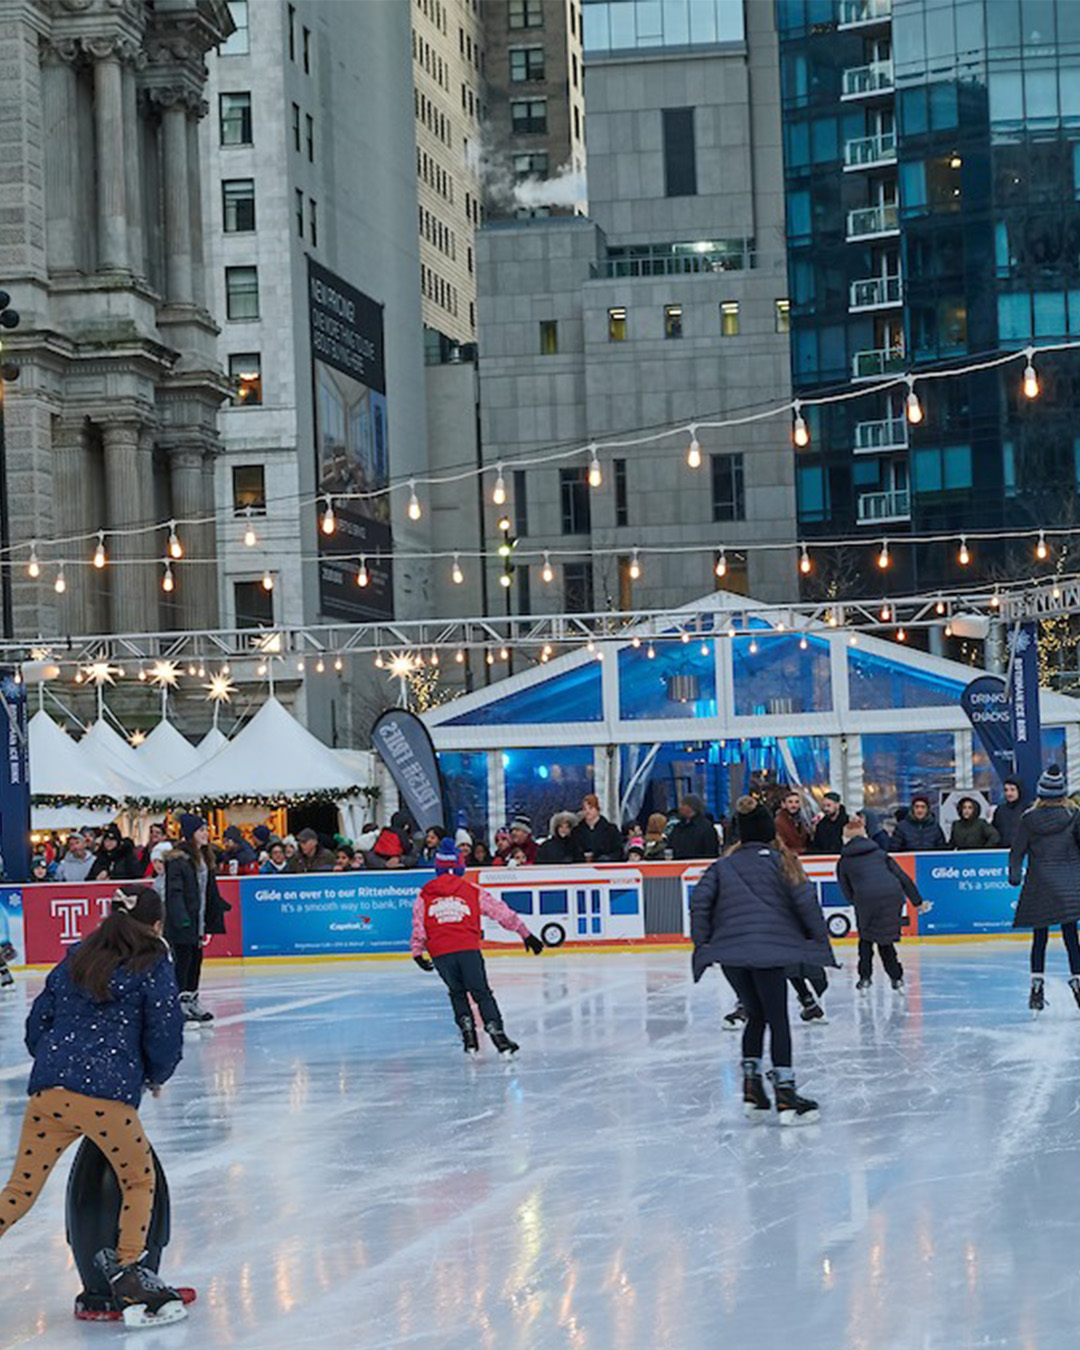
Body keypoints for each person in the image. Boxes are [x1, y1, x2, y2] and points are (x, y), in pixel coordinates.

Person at [0, 886, 186, 1325]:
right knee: (139, 1180)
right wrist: (156, 1076)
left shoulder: (78, 955)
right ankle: (127, 1272)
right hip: (104, 1099)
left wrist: (51, 1061)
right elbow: (164, 1030)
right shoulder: (153, 962)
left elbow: (38, 1020)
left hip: (48, 1094)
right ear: (156, 925)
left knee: (20, 1191)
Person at [690, 796, 836, 1124]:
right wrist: (819, 942)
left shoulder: (722, 866)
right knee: (777, 1018)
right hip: (769, 953)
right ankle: (785, 1095)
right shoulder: (782, 862)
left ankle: (752, 1092)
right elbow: (806, 902)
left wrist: (704, 944)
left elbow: (699, 903)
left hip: (732, 955)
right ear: (769, 831)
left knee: (755, 1016)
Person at [411, 838, 544, 1056]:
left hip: (441, 952)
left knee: (457, 992)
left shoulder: (425, 894)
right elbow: (501, 913)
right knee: (481, 993)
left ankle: (469, 1037)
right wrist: (525, 934)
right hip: (466, 949)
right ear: (460, 867)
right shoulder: (472, 891)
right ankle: (498, 1036)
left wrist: (417, 951)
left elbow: (419, 924)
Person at [1008, 764, 1080, 1012]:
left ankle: (1036, 987)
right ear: (1062, 794)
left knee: (1040, 938)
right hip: (1069, 885)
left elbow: (1017, 852)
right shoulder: (1074, 816)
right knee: (1071, 937)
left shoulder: (1028, 819)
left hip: (1040, 885)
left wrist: (1014, 875)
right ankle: (1078, 982)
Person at [837, 817, 930, 992]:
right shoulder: (880, 854)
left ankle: (865, 978)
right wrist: (917, 901)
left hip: (866, 899)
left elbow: (846, 888)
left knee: (866, 940)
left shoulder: (844, 861)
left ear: (845, 839)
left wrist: (857, 902)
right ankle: (897, 978)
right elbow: (903, 877)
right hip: (892, 897)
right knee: (885, 940)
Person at [164, 815, 230, 1024]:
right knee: (183, 962)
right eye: (201, 830)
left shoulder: (205, 858)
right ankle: (180, 1002)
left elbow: (206, 890)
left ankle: (192, 998)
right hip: (183, 922)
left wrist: (218, 904)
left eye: (205, 830)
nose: (206, 834)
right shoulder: (179, 860)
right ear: (190, 833)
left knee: (196, 961)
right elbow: (174, 892)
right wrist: (181, 917)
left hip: (198, 921)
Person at [571, 795, 624, 862]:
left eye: (590, 808)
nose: (587, 811)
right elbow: (572, 852)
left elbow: (618, 852)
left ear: (597, 809)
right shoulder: (576, 831)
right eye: (584, 809)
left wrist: (605, 859)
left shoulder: (611, 830)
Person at [669, 794, 721, 861]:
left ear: (691, 807)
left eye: (683, 805)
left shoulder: (706, 827)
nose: (680, 808)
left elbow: (711, 850)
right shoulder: (678, 827)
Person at [992, 777, 1027, 850]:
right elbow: (994, 832)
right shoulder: (1000, 810)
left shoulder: (1027, 810)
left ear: (1019, 790)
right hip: (1002, 852)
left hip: (1023, 852)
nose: (1009, 793)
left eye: (1012, 790)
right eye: (1006, 790)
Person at [774, 790, 812, 855]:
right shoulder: (779, 822)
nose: (794, 805)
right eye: (790, 802)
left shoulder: (803, 820)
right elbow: (780, 844)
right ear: (783, 804)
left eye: (796, 802)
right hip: (788, 858)